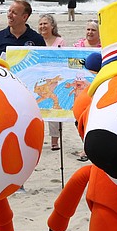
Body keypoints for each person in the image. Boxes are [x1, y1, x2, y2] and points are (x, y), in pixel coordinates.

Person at [38, 14, 65, 150]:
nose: (42, 26)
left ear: (52, 26)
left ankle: (55, 141)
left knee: (54, 107)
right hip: (39, 79)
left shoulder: (59, 41)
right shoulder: (36, 40)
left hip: (53, 80)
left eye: (45, 24)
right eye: (41, 24)